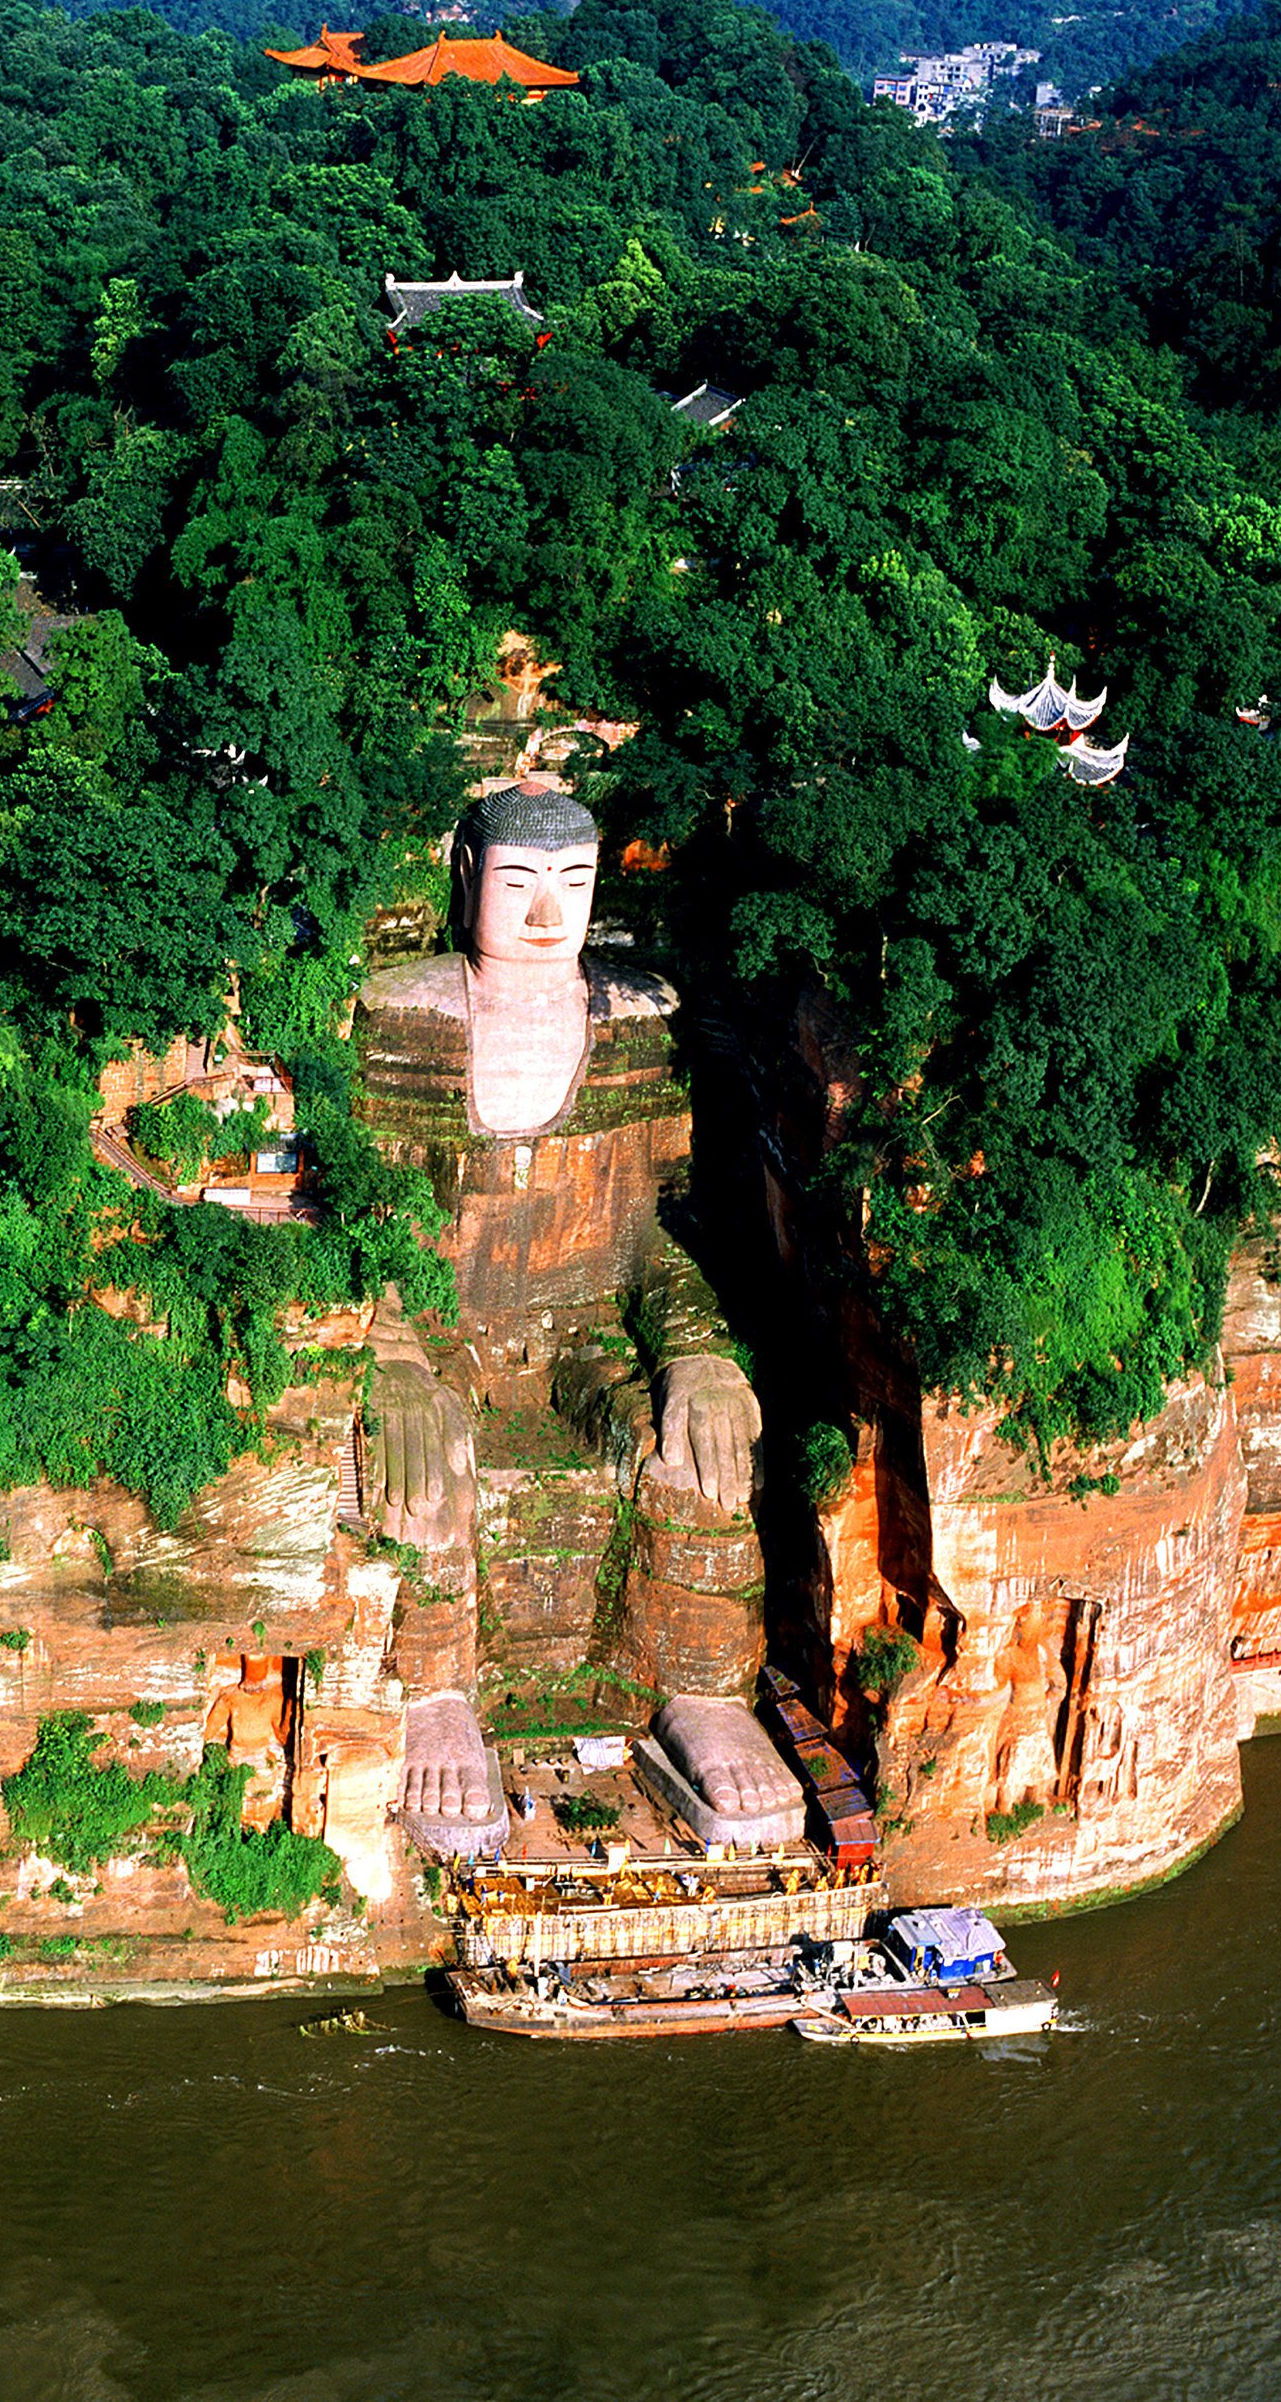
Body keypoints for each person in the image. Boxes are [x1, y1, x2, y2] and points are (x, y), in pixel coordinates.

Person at [349, 782, 766, 1839]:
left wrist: (697, 1348)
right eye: (519, 883)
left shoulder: (638, 1024)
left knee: (693, 1451)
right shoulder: (400, 1023)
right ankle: (436, 1696)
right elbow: (357, 1223)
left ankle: (702, 1691)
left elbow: (662, 1230)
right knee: (423, 1456)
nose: (548, 915)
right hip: (442, 1327)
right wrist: (392, 1352)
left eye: (574, 885)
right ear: (464, 880)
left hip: (588, 1326)